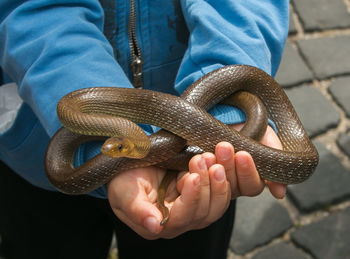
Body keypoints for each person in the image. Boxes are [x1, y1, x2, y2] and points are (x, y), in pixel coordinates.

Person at [0, 0, 289, 258]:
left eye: (119, 147)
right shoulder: (102, 134)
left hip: (193, 175)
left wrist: (225, 112)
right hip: (35, 155)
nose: (110, 149)